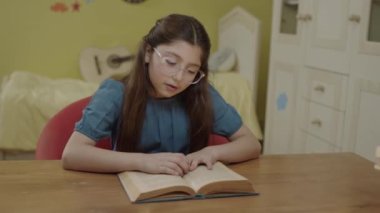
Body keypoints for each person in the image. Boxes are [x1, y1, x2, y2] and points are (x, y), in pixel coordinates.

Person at [62, 14, 261, 176]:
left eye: (191, 70)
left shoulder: (201, 92)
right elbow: (72, 154)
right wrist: (143, 162)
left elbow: (250, 143)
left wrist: (212, 152)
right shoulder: (116, 92)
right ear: (148, 53)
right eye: (171, 62)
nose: (179, 77)